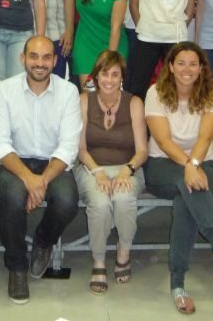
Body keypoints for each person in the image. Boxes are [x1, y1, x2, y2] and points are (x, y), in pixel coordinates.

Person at [144, 41, 213, 315]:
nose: (187, 69)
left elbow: (205, 137)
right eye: (181, 63)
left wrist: (194, 164)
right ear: (170, 67)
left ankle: (178, 284)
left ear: (201, 68)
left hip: (203, 162)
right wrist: (188, 166)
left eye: (193, 64)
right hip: (162, 164)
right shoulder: (155, 92)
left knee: (187, 196)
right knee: (189, 185)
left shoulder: (211, 93)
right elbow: (163, 140)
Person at [0, 37, 81, 304]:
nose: (39, 63)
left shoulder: (68, 92)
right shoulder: (5, 90)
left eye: (46, 57)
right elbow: (0, 144)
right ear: (23, 59)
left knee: (67, 200)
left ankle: (43, 241)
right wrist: (29, 179)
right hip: (15, 162)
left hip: (53, 163)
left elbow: (68, 146)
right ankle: (17, 267)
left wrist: (41, 181)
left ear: (55, 60)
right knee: (12, 199)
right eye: (33, 56)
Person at [75, 50, 148, 293]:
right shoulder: (84, 101)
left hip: (128, 167)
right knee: (100, 203)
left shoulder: (134, 103)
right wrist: (98, 172)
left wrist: (128, 170)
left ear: (122, 77)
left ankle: (123, 252)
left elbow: (142, 151)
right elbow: (80, 149)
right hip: (91, 167)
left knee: (123, 198)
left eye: (115, 75)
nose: (109, 80)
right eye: (104, 74)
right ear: (96, 76)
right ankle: (98, 260)